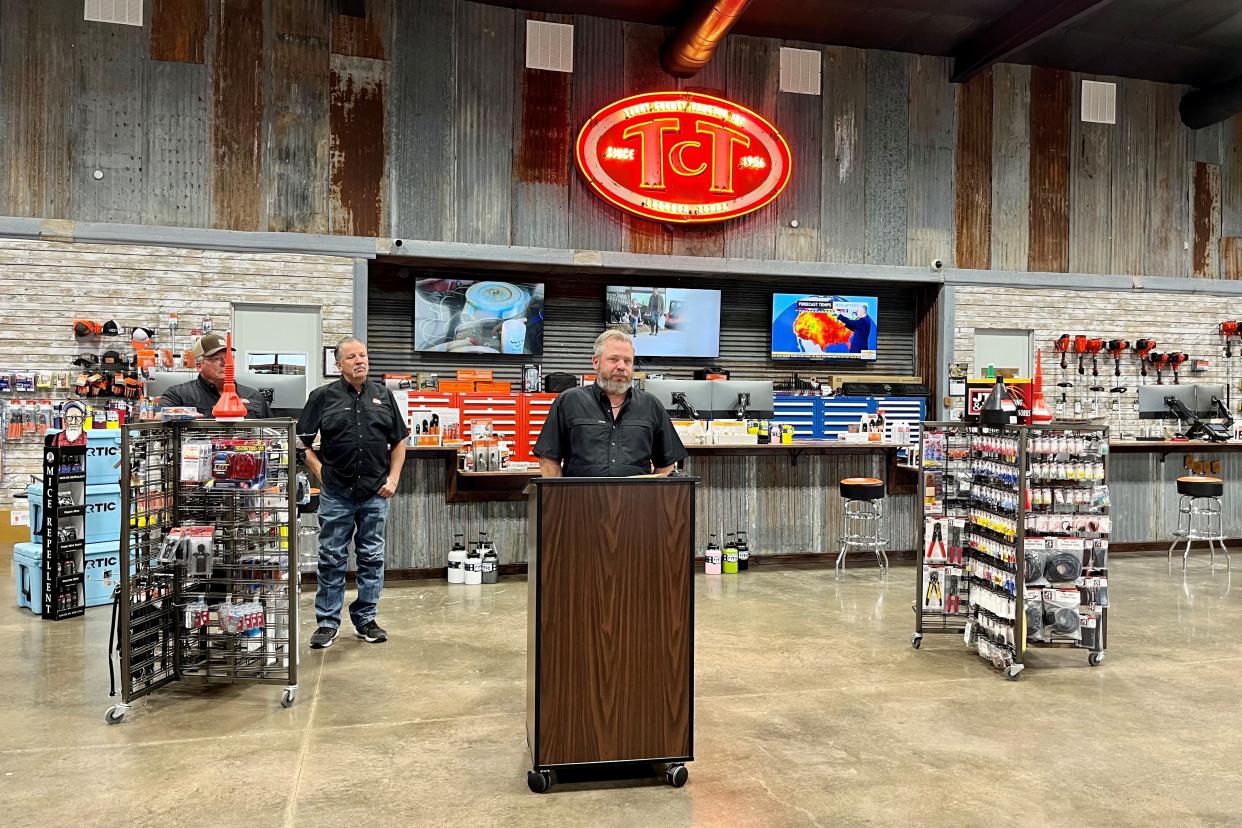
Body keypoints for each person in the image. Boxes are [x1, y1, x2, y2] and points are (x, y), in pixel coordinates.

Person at [298, 336, 409, 648]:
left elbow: (399, 441)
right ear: (338, 365)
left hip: (375, 493)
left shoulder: (383, 395)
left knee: (371, 557)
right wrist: (321, 472)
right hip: (337, 493)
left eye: (363, 355)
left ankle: (366, 618)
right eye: (351, 357)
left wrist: (394, 478)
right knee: (331, 557)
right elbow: (302, 442)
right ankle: (327, 623)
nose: (359, 360)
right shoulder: (322, 396)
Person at [534, 329, 686, 477]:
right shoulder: (568, 402)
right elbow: (548, 458)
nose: (621, 366)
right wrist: (558, 498)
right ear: (596, 362)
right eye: (613, 359)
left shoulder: (651, 405)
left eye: (627, 361)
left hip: (636, 502)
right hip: (580, 501)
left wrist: (650, 496)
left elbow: (666, 463)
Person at [159, 332, 273, 418]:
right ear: (199, 365)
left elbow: (275, 434)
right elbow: (159, 421)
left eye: (228, 358)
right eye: (216, 359)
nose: (225, 363)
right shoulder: (178, 396)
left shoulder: (254, 396)